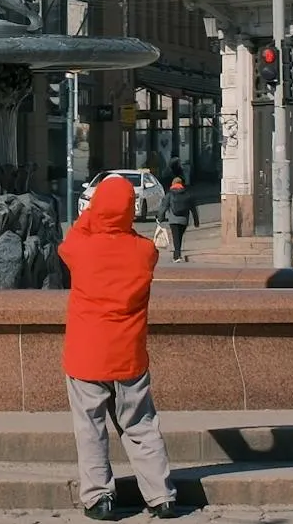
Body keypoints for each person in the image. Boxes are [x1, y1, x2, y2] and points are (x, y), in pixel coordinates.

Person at [58, 174, 179, 520]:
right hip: (129, 356)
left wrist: (93, 213)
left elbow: (69, 241)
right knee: (141, 424)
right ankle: (161, 496)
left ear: (97, 209)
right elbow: (136, 240)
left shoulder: (81, 248)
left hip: (86, 357)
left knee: (91, 427)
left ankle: (99, 498)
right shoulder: (144, 252)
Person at [161, 178, 192, 263]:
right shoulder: (186, 193)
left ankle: (177, 256)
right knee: (179, 237)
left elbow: (164, 207)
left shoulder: (170, 194)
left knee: (176, 238)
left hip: (173, 220)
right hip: (184, 220)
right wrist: (196, 220)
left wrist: (160, 218)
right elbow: (193, 207)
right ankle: (177, 255)